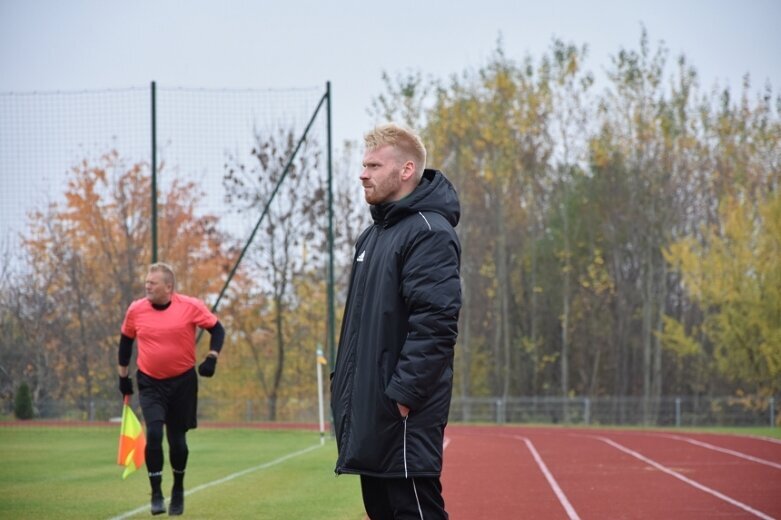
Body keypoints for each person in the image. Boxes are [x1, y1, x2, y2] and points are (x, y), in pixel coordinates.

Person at [330, 123, 462, 519]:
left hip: (400, 413)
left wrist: (403, 395)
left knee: (415, 512)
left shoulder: (429, 232)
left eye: (373, 164)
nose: (362, 173)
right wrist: (346, 386)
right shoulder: (372, 237)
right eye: (363, 164)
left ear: (406, 170)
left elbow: (436, 323)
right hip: (372, 408)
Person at [117, 262, 225, 516]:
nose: (147, 286)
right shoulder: (136, 310)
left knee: (177, 441)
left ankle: (177, 489)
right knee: (154, 433)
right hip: (150, 382)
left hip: (182, 383)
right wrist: (123, 377)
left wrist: (211, 357)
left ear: (168, 287)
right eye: (146, 282)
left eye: (152, 283)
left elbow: (217, 329)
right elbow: (125, 341)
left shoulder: (190, 306)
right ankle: (156, 492)